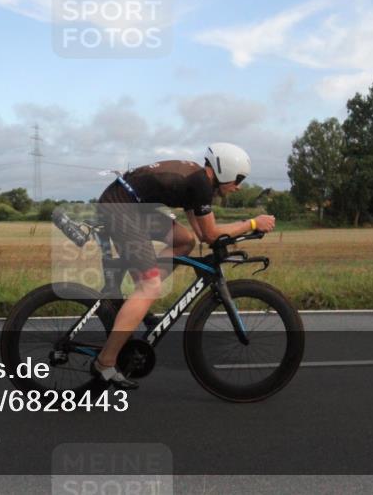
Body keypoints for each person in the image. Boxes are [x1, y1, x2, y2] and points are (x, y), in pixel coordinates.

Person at [92, 142, 276, 389]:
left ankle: (140, 291)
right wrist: (252, 224)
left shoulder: (199, 183)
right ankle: (105, 362)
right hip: (121, 208)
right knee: (150, 287)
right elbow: (211, 234)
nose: (238, 186)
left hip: (129, 204)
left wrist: (231, 236)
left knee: (184, 241)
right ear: (227, 170)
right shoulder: (200, 183)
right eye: (239, 179)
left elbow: (201, 235)